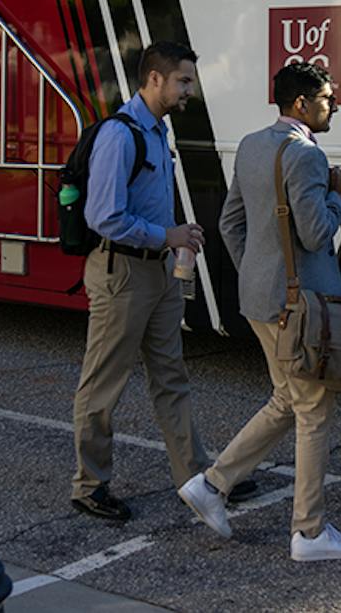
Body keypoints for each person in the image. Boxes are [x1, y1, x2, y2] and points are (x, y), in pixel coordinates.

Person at [179, 62, 341, 562]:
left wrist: (256, 274)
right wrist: (336, 191)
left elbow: (229, 222)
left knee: (288, 400)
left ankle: (213, 485)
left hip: (262, 300)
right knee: (313, 410)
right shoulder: (307, 155)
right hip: (299, 305)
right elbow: (314, 234)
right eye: (328, 98)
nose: (335, 105)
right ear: (302, 105)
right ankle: (309, 533)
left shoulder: (251, 144)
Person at [69, 41, 255, 521]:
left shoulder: (157, 133)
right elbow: (104, 216)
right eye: (184, 81)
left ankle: (198, 481)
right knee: (103, 384)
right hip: (122, 272)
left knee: (171, 377)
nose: (190, 90)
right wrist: (166, 234)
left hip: (157, 270)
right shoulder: (121, 134)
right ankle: (90, 486)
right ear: (155, 79)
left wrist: (177, 237)